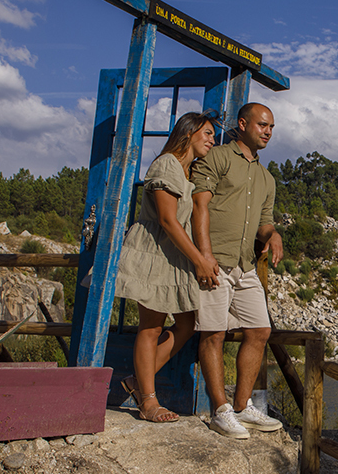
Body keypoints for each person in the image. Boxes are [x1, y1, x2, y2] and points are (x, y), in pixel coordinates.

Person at [116, 111, 220, 422]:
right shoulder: (166, 164)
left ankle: (137, 381)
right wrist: (200, 259)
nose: (213, 141)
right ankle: (148, 401)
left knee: (187, 324)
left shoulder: (186, 171)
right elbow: (167, 220)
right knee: (151, 327)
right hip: (155, 252)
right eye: (208, 134)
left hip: (175, 255)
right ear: (188, 133)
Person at [191, 102, 284, 439]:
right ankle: (220, 410)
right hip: (214, 259)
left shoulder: (266, 178)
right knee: (212, 334)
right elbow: (198, 205)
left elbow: (264, 224)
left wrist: (273, 234)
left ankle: (243, 406)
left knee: (260, 330)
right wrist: (203, 254)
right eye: (262, 125)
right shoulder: (217, 158)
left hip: (245, 264)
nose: (268, 132)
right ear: (243, 124)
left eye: (271, 127)